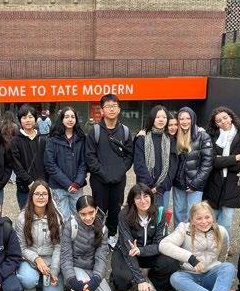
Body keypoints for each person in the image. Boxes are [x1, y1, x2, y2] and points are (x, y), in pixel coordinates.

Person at [159, 201, 240, 291]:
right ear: (192, 220)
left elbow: (223, 254)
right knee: (175, 278)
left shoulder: (221, 231)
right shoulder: (184, 229)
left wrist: (219, 269)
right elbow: (163, 245)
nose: (204, 222)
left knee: (228, 267)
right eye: (199, 218)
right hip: (189, 276)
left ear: (212, 217)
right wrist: (190, 258)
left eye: (207, 217)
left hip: (210, 276)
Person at [110, 184, 180, 291]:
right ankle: (123, 273)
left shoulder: (159, 212)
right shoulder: (124, 214)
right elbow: (128, 247)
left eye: (146, 196)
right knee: (121, 283)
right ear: (133, 201)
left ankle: (152, 277)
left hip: (147, 251)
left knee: (172, 263)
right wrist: (140, 280)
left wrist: (141, 250)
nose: (143, 201)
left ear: (151, 197)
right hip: (127, 252)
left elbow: (160, 244)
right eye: (138, 198)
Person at [85, 94, 133, 246]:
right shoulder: (95, 131)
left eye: (114, 106)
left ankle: (112, 235)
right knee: (98, 209)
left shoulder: (125, 131)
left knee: (115, 209)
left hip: (118, 180)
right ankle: (99, 236)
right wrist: (103, 174)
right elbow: (90, 156)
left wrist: (119, 172)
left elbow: (129, 156)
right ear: (102, 110)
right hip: (99, 179)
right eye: (108, 106)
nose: (111, 109)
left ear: (119, 109)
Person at [203, 107, 240, 244]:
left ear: (231, 117)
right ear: (215, 124)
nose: (223, 121)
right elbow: (212, 161)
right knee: (211, 219)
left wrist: (223, 162)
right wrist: (235, 158)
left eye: (225, 117)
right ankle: (211, 245)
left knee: (226, 221)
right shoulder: (211, 136)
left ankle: (224, 247)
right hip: (214, 183)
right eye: (218, 120)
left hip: (233, 183)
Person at [60, 195, 116, 291]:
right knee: (81, 286)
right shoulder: (70, 227)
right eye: (83, 214)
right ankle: (74, 289)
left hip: (92, 268)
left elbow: (101, 258)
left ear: (96, 210)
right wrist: (73, 281)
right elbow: (65, 257)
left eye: (91, 212)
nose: (88, 217)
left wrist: (95, 280)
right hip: (75, 267)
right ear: (77, 213)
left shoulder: (103, 229)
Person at [15, 180, 65, 291]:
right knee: (28, 280)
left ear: (49, 196)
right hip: (30, 260)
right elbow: (21, 247)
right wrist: (37, 259)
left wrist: (54, 270)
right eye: (37, 194)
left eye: (44, 194)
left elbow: (58, 246)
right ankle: (33, 280)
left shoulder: (57, 218)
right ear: (31, 196)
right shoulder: (22, 218)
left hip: (50, 260)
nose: (41, 197)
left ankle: (44, 279)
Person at [44, 106, 87, 222]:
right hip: (59, 187)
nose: (70, 119)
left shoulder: (81, 139)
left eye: (73, 117)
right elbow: (50, 164)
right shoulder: (52, 139)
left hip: (77, 187)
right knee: (63, 219)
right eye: (66, 117)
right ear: (61, 119)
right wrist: (67, 184)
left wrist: (77, 183)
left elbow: (84, 163)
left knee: (79, 218)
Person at [173, 107, 213, 227]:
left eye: (188, 118)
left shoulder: (203, 136)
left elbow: (207, 163)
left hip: (195, 184)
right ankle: (179, 235)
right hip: (179, 183)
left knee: (194, 214)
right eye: (181, 119)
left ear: (193, 119)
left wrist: (195, 183)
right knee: (179, 213)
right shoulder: (175, 135)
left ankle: (192, 237)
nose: (184, 121)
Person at [133, 105, 178, 210]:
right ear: (152, 118)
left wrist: (160, 187)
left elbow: (173, 166)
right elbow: (139, 164)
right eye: (158, 117)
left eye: (164, 117)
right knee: (143, 215)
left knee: (160, 215)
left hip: (162, 188)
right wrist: (149, 186)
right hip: (144, 187)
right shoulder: (142, 138)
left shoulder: (170, 139)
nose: (161, 120)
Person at [10, 104, 47, 209]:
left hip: (43, 187)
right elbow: (16, 164)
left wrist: (45, 182)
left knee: (43, 215)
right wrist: (29, 182)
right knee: (26, 215)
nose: (28, 120)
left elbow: (48, 162)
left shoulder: (43, 139)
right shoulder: (15, 141)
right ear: (20, 120)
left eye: (30, 117)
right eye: (24, 117)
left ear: (35, 119)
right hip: (25, 188)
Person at [1, 110, 19, 184]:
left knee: (5, 162)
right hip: (12, 146)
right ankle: (13, 178)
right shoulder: (15, 126)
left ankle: (6, 177)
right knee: (14, 162)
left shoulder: (1, 125)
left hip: (3, 146)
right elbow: (17, 137)